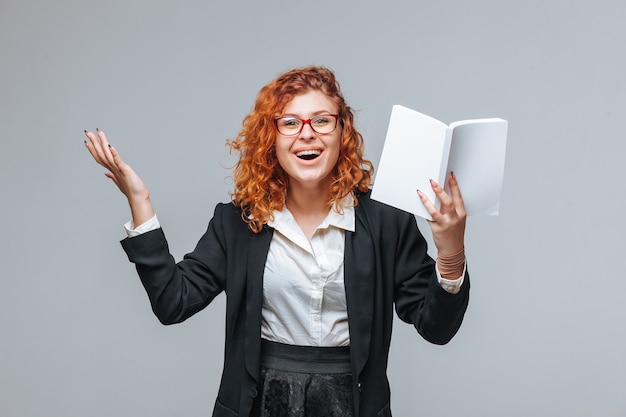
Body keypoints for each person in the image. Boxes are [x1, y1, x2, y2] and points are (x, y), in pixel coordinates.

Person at [84, 66, 470, 417]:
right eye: (290, 122)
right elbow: (173, 302)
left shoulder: (387, 220)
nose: (307, 133)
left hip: (350, 404)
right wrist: (140, 203)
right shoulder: (238, 222)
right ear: (271, 137)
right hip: (260, 402)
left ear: (342, 133)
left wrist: (450, 250)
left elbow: (436, 328)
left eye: (322, 120)